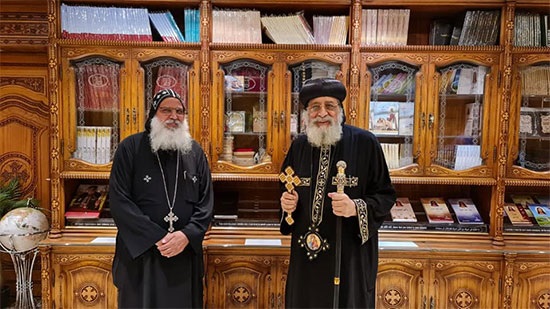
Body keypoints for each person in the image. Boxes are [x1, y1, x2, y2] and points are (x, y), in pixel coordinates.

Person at [279, 78, 396, 308]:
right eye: (315, 107)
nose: (322, 113)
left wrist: (356, 208)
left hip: (349, 256)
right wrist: (286, 204)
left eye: (329, 105)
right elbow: (286, 186)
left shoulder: (365, 143)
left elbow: (385, 195)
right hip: (306, 256)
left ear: (340, 110)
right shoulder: (299, 146)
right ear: (306, 113)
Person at [109, 89, 213, 308]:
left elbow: (206, 204)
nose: (173, 116)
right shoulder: (130, 148)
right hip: (142, 256)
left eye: (179, 111)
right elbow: (120, 201)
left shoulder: (194, 152)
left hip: (183, 255)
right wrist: (157, 237)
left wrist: (186, 235)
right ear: (153, 115)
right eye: (166, 110)